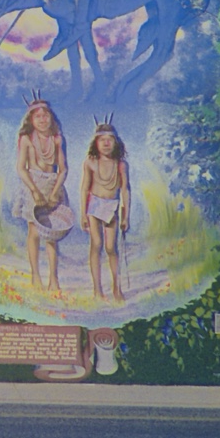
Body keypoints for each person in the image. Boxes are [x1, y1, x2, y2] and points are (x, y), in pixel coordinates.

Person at [11, 94, 70, 292]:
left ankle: (54, 279)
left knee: (51, 234)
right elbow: (21, 168)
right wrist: (34, 191)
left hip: (53, 185)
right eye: (38, 117)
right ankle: (35, 275)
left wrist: (55, 192)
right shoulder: (26, 139)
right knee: (34, 232)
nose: (43, 120)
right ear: (31, 120)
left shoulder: (57, 139)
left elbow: (63, 169)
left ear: (52, 118)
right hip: (33, 184)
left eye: (46, 116)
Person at [79, 117, 131, 303]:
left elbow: (125, 190)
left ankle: (116, 287)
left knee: (111, 247)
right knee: (96, 244)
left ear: (116, 142)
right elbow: (84, 188)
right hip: (94, 205)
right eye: (102, 140)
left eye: (110, 139)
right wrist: (83, 213)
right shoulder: (90, 162)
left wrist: (126, 216)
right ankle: (97, 290)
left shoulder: (121, 164)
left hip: (112, 207)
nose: (106, 143)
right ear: (96, 142)